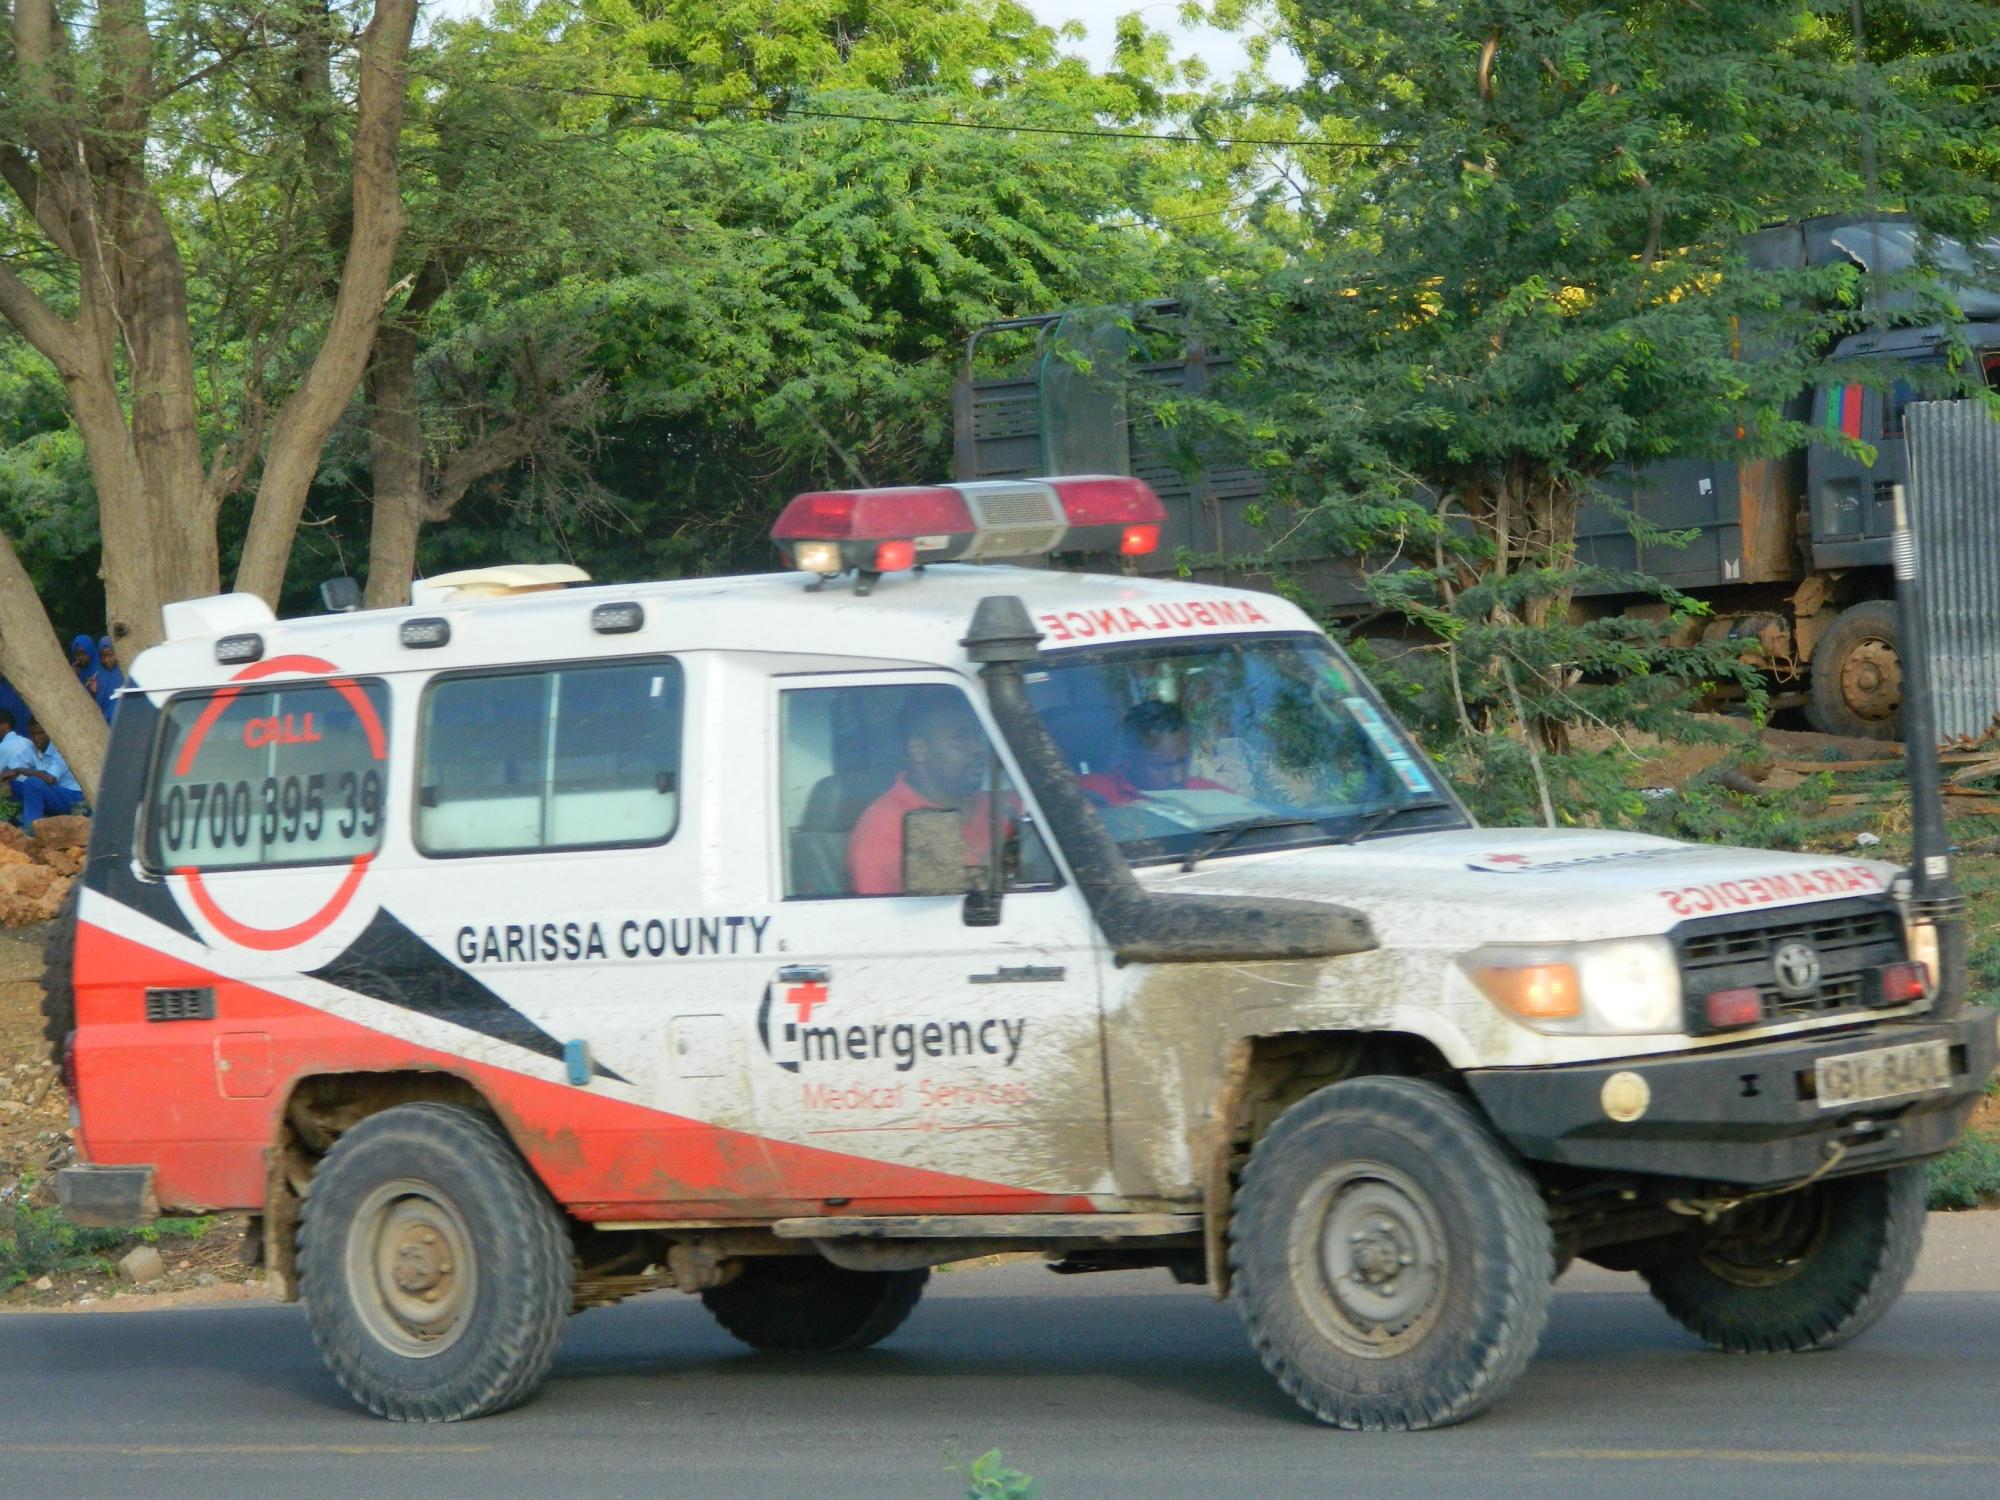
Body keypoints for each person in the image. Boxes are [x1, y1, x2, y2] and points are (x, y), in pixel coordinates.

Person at [846, 691, 1005, 896]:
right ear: (919, 750)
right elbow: (887, 921)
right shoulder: (885, 826)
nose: (977, 748)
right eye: (959, 739)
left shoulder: (999, 804)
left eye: (977, 736)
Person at [1077, 700, 1231, 806]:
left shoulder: (1214, 796)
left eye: (1183, 761)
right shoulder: (1088, 795)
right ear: (1129, 759)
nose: (1177, 777)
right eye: (1161, 766)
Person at [5, 722, 82, 833]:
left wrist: (19, 770)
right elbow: (12, 767)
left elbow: (50, 779)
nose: (36, 738)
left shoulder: (61, 749)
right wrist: (6, 777)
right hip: (53, 795)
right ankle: (13, 827)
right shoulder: (33, 748)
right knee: (11, 786)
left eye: (40, 733)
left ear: (50, 733)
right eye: (32, 734)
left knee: (32, 783)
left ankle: (31, 832)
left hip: (73, 799)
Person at [87, 635, 124, 722]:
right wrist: (94, 692)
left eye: (110, 655)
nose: (107, 660)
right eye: (103, 656)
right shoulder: (97, 676)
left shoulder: (124, 671)